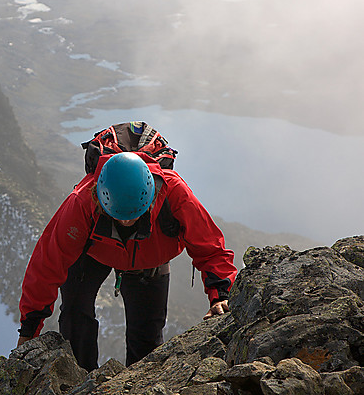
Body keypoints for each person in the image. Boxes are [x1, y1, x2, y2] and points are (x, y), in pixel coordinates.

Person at [17, 150, 237, 370]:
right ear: (101, 197)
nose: (126, 222)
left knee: (146, 343)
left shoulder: (173, 192)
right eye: (119, 216)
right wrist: (29, 331)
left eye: (134, 215)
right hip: (96, 252)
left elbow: (209, 246)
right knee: (75, 315)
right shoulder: (82, 202)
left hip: (147, 258)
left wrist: (221, 295)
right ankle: (80, 380)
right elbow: (47, 264)